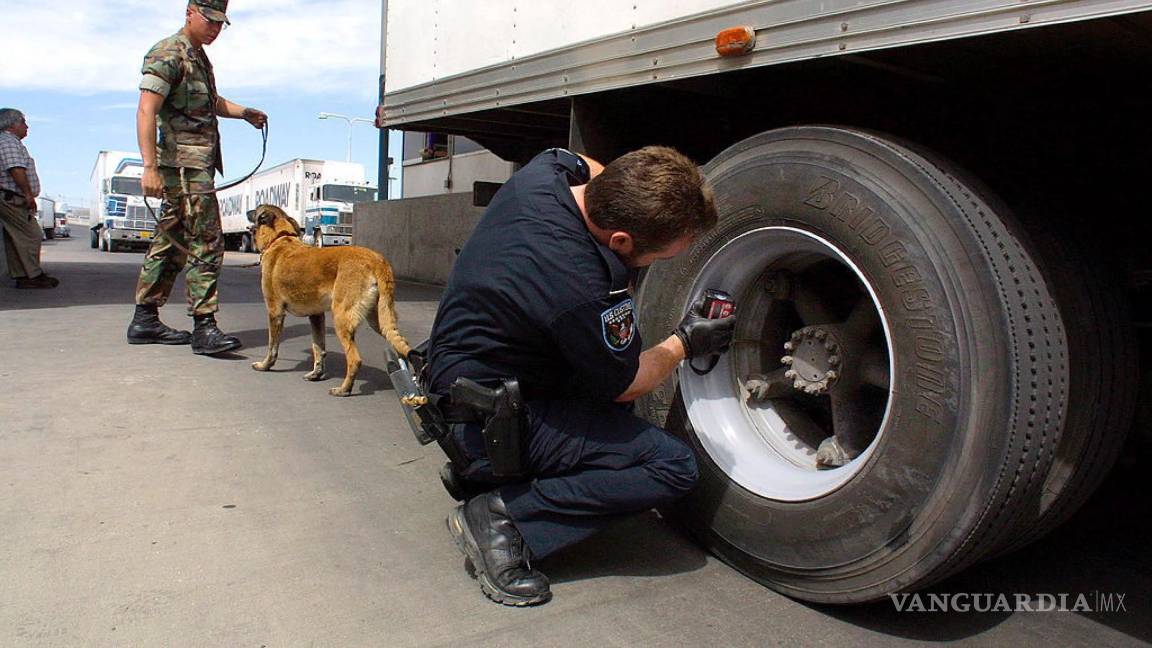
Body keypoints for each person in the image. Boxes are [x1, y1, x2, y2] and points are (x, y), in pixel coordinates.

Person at [427, 146, 735, 606]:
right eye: (667, 253)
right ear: (622, 242)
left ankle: (491, 472)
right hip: (488, 416)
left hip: (463, 379)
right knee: (670, 465)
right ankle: (502, 516)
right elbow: (627, 380)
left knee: (604, 390)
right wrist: (684, 343)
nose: (671, 259)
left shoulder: (542, 176)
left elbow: (582, 161)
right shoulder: (581, 285)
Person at [125, 0, 267, 354]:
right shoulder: (169, 53)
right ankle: (204, 325)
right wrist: (149, 167)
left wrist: (244, 113)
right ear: (189, 12)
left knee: (170, 243)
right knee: (207, 241)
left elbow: (210, 101)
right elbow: (146, 109)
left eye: (221, 23)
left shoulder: (198, 56)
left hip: (192, 168)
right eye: (210, 20)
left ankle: (145, 319)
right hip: (183, 170)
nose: (215, 28)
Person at [0, 108, 58, 290]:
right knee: (31, 234)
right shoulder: (7, 142)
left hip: (11, 197)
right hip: (12, 198)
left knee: (15, 238)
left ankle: (24, 275)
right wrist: (27, 194)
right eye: (23, 122)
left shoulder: (10, 142)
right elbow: (15, 168)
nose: (26, 127)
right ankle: (32, 275)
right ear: (12, 124)